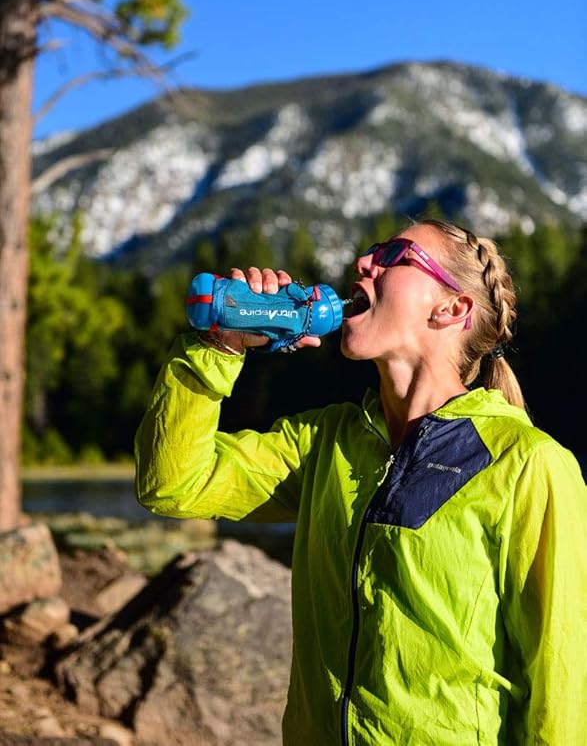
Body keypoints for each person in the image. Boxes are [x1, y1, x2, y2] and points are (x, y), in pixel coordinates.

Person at [134, 218, 586, 746]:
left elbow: (561, 676)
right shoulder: (324, 442)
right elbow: (172, 483)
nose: (364, 263)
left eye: (395, 255)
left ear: (452, 308)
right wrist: (222, 345)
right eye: (372, 251)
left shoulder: (526, 463)